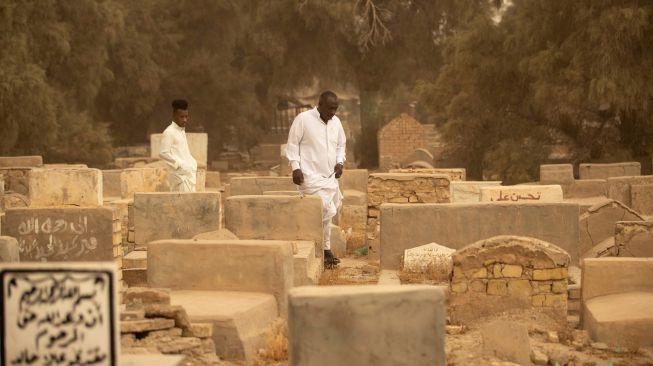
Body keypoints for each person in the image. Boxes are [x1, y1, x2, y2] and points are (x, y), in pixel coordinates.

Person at [286, 91, 346, 268]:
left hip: (329, 177)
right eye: (330, 109)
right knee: (327, 210)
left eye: (336, 109)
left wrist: (340, 162)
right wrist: (295, 168)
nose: (333, 113)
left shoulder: (336, 122)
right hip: (309, 177)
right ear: (319, 105)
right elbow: (292, 144)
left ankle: (322, 248)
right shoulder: (303, 119)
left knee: (328, 213)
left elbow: (341, 145)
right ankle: (325, 250)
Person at [159, 99, 197, 192]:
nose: (184, 120)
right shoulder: (169, 132)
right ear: (174, 116)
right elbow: (163, 153)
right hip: (179, 178)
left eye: (186, 117)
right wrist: (180, 164)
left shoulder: (181, 131)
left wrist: (192, 162)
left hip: (189, 176)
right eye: (181, 117)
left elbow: (184, 152)